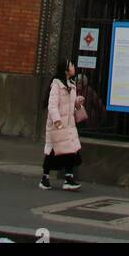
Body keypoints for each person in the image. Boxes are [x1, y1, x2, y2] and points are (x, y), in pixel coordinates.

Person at [40, 57, 87, 192]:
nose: (73, 67)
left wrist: (78, 102)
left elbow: (70, 104)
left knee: (71, 151)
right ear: (66, 70)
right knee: (52, 152)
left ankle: (68, 178)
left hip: (68, 124)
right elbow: (52, 105)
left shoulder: (71, 84)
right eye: (71, 65)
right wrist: (57, 121)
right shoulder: (56, 85)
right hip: (58, 125)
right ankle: (45, 178)